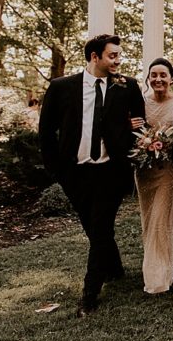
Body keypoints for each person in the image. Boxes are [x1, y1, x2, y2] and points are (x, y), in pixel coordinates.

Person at [38, 34, 145, 317]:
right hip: (74, 172)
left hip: (111, 171)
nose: (118, 61)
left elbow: (140, 126)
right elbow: (46, 131)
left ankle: (90, 294)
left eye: (119, 56)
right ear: (94, 57)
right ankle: (115, 267)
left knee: (100, 227)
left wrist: (129, 130)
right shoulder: (62, 87)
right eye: (112, 55)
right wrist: (56, 170)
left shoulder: (128, 86)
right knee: (94, 228)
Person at [131, 58, 173, 294]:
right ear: (148, 78)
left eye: (163, 75)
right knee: (149, 216)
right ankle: (159, 266)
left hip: (170, 170)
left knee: (164, 216)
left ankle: (158, 275)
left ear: (172, 78)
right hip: (144, 170)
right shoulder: (140, 103)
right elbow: (129, 131)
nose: (158, 79)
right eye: (153, 75)